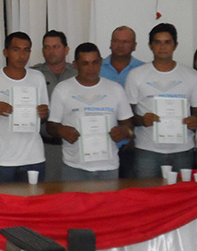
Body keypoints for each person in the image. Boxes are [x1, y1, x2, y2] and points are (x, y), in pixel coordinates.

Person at [125, 23, 197, 177]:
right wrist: (142, 120)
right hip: (147, 150)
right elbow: (126, 116)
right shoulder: (136, 75)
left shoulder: (191, 75)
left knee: (181, 191)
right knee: (148, 192)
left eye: (167, 42)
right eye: (157, 42)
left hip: (183, 150)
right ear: (150, 45)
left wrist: (196, 120)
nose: (162, 47)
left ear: (175, 45)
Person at [47, 43, 133, 180]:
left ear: (101, 62)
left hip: (108, 167)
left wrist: (124, 131)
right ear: (75, 64)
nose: (91, 68)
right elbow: (51, 126)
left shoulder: (115, 89)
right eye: (85, 63)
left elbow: (129, 126)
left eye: (95, 62)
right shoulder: (63, 89)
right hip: (74, 167)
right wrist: (61, 130)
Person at [0, 32, 49, 182]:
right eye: (16, 50)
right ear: (6, 52)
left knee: (35, 197)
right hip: (3, 159)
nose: (22, 55)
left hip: (34, 157)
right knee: (4, 198)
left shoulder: (37, 77)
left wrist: (44, 114)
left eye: (26, 50)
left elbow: (44, 117)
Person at [31, 31, 76, 181]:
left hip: (75, 145)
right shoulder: (32, 74)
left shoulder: (78, 74)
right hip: (44, 146)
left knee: (74, 189)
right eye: (47, 47)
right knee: (48, 190)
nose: (51, 51)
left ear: (66, 49)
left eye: (56, 47)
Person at [100, 26, 145, 178]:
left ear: (134, 45)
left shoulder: (144, 70)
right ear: (110, 44)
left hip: (135, 144)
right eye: (116, 41)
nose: (120, 45)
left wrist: (131, 133)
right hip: (101, 143)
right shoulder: (96, 68)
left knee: (131, 188)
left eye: (126, 42)